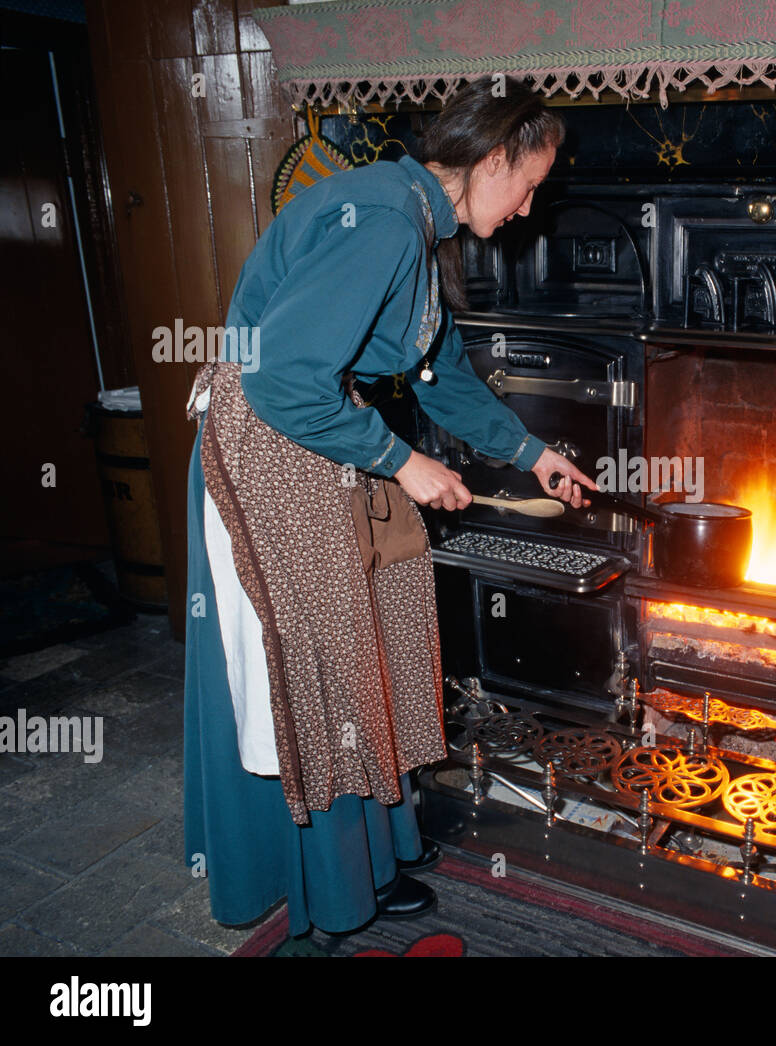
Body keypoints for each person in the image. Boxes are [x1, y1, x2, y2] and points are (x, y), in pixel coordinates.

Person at [183, 77, 594, 937]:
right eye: (528, 188)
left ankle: (375, 850)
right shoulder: (381, 222)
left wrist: (530, 455)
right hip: (274, 445)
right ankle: (331, 890)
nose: (527, 211)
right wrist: (399, 462)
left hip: (325, 435)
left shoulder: (417, 216)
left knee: (384, 634)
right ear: (491, 162)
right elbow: (282, 378)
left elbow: (434, 366)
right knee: (327, 670)